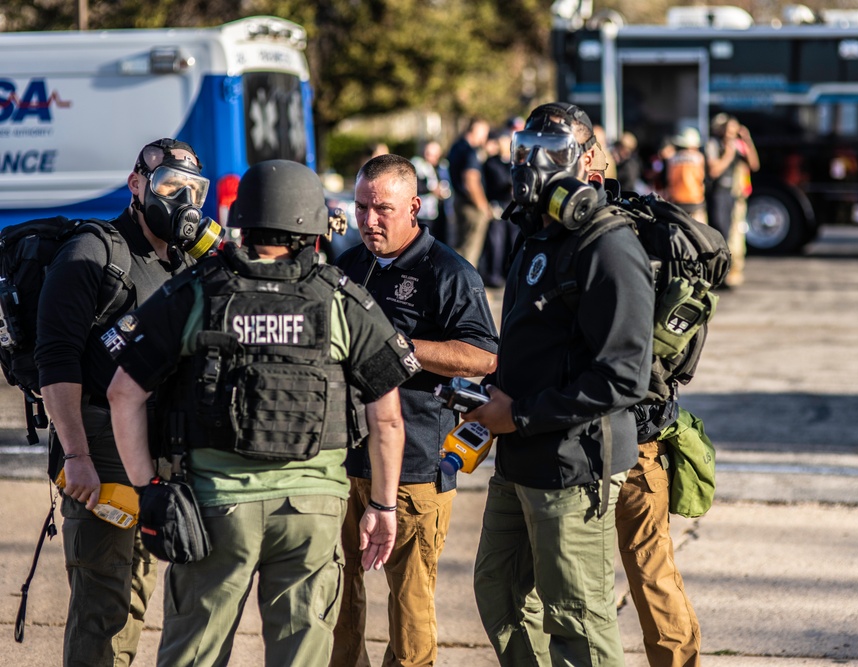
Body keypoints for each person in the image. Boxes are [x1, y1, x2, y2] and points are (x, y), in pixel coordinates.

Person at [104, 159, 415, 665]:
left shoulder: (198, 291)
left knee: (193, 654)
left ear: (241, 221)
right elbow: (388, 419)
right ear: (313, 225)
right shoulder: (341, 300)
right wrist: (382, 506)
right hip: (313, 513)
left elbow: (124, 394)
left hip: (214, 510)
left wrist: (148, 490)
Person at [466, 102, 654, 666]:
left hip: (573, 466)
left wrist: (519, 415)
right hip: (518, 457)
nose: (533, 165)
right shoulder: (535, 235)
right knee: (498, 595)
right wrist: (489, 396)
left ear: (588, 158)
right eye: (527, 150)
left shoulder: (608, 246)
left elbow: (623, 377)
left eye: (552, 152)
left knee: (577, 620)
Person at [36, 137, 208, 667]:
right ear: (137, 185)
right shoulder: (94, 251)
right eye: (168, 186)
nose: (182, 200)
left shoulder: (182, 262)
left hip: (153, 451)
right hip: (100, 450)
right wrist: (78, 457)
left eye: (193, 190)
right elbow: (56, 359)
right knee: (101, 603)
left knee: (134, 593)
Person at [332, 153, 499, 667]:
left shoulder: (447, 271)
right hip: (344, 457)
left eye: (382, 208)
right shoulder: (349, 263)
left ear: (414, 207)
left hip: (415, 464)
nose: (369, 220)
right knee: (336, 596)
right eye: (361, 207)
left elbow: (483, 355)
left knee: (409, 607)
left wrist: (397, 343)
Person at [587, 144, 704, 667]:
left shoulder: (608, 238)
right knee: (652, 568)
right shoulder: (644, 225)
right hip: (648, 426)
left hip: (622, 436)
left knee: (632, 573)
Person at [706, 113, 759, 287]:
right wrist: (728, 154)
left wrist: (747, 141)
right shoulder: (714, 145)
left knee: (735, 235)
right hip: (718, 193)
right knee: (720, 232)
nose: (732, 132)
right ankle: (718, 273)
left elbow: (754, 165)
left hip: (735, 194)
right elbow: (714, 171)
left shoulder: (738, 145)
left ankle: (732, 272)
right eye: (729, 128)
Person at [447, 117, 493, 265]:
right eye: (485, 133)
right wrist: (483, 206)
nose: (485, 137)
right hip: (471, 205)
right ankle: (466, 286)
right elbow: (471, 181)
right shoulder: (470, 151)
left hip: (459, 201)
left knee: (460, 245)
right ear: (476, 130)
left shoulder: (456, 147)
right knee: (470, 250)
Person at [479, 129, 516, 287]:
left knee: (514, 241)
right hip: (497, 206)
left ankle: (512, 274)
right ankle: (494, 275)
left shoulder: (515, 163)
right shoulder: (491, 163)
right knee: (496, 242)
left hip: (513, 206)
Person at [411, 140, 452, 245]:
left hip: (440, 211)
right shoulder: (417, 165)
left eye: (435, 155)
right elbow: (416, 186)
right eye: (428, 153)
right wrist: (432, 190)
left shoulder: (442, 166)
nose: (431, 157)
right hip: (423, 214)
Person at [666, 127, 708, 224]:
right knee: (700, 233)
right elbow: (701, 178)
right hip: (695, 201)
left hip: (676, 201)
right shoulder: (698, 157)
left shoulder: (672, 158)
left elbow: (669, 179)